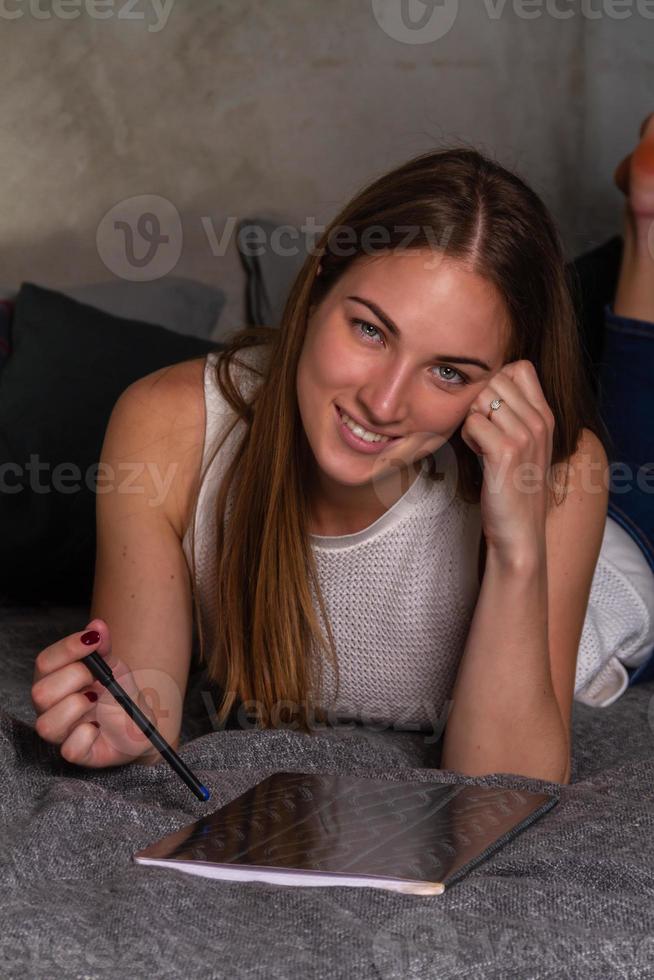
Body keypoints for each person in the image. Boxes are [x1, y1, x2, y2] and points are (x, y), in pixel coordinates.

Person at [30, 115, 654, 785]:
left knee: (630, 450)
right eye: (369, 330)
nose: (383, 404)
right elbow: (145, 717)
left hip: (612, 571)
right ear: (319, 279)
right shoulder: (165, 426)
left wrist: (518, 544)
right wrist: (116, 726)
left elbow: (504, 789)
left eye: (450, 371)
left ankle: (645, 231)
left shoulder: (559, 474)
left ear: (505, 387)